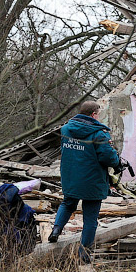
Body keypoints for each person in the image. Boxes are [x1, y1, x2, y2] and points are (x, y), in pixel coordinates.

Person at [48, 100, 121, 263]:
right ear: (94, 114)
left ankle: (55, 231)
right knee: (90, 219)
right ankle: (84, 254)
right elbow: (108, 157)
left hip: (71, 176)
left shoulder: (66, 129)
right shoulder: (99, 134)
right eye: (98, 113)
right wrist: (118, 162)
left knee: (67, 204)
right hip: (92, 180)